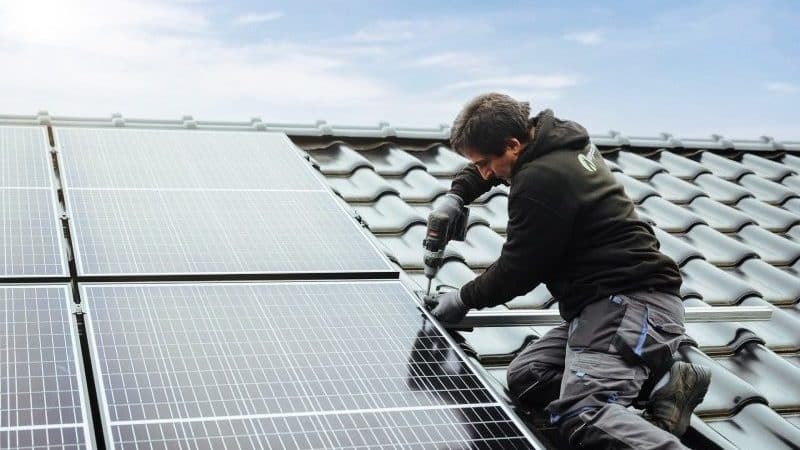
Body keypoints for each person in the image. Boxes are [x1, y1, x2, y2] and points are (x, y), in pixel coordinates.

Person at [423, 93, 711, 449]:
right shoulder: (556, 138)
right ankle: (664, 382)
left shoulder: (541, 180)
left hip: (629, 303)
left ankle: (644, 392)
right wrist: (458, 194)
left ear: (513, 145)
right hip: (608, 304)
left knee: (581, 413)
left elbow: (519, 269)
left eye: (485, 163)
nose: (484, 173)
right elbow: (492, 167)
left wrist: (462, 298)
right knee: (528, 377)